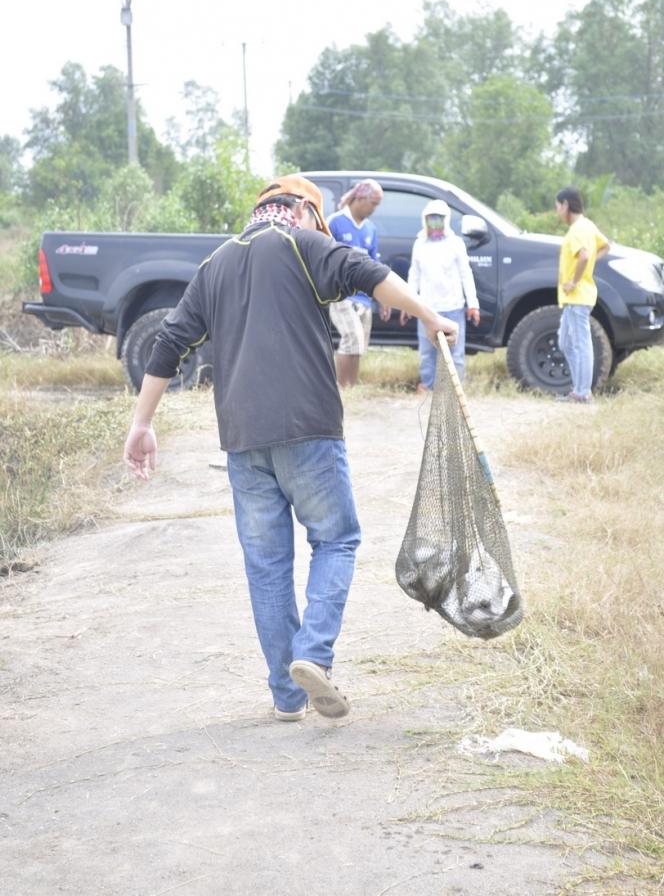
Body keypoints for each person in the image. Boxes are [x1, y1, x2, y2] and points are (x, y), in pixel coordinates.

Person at [123, 175, 458, 722]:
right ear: (299, 210)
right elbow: (371, 275)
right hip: (310, 430)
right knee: (337, 539)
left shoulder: (214, 266)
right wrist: (430, 316)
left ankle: (286, 696)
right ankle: (313, 654)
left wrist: (142, 423)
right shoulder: (302, 244)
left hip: (242, 441)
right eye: (315, 221)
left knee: (267, 565)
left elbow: (168, 342)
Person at [400, 199, 479, 389]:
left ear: (447, 220)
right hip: (426, 308)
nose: (435, 223)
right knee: (427, 352)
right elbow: (414, 275)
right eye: (431, 219)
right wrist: (408, 304)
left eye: (439, 219)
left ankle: (455, 389)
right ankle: (428, 386)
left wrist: (473, 304)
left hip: (453, 307)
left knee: (455, 353)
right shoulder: (420, 244)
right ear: (424, 220)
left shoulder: (456, 243)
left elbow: (465, 274)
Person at [328, 179, 390, 387]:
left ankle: (351, 389)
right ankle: (340, 388)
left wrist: (383, 297)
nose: (375, 209)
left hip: (363, 297)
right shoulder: (335, 222)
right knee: (352, 338)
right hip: (341, 294)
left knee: (359, 345)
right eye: (373, 203)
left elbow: (374, 265)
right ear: (360, 198)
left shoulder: (370, 229)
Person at [555, 187, 610, 403]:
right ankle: (579, 389)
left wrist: (575, 280)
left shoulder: (578, 229)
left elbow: (585, 255)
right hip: (574, 299)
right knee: (565, 344)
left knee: (580, 344)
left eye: (558, 206)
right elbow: (605, 247)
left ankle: (582, 393)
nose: (557, 211)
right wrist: (587, 268)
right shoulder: (588, 225)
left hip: (578, 296)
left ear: (566, 205)